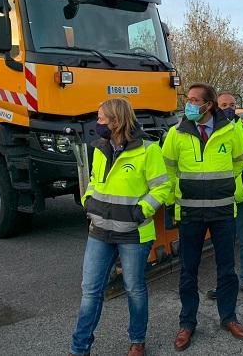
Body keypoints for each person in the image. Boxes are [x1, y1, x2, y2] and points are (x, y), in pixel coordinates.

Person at [69, 98, 171, 356]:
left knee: (134, 289)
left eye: (101, 118)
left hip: (133, 233)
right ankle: (79, 349)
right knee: (90, 291)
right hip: (100, 230)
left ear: (116, 121)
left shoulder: (148, 149)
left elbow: (163, 188)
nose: (98, 123)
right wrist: (88, 201)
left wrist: (141, 211)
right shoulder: (100, 148)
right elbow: (94, 181)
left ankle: (137, 341)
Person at [162, 83, 243, 351]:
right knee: (188, 271)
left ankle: (229, 317)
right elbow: (168, 169)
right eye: (187, 99)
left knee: (226, 269)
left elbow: (239, 162)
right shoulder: (176, 133)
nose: (188, 104)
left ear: (208, 104)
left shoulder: (231, 131)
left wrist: (231, 189)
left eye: (193, 100)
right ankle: (187, 323)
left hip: (222, 211)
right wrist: (176, 195)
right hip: (189, 212)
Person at [206, 92, 243, 301]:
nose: (228, 108)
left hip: (239, 197)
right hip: (218, 199)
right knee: (223, 244)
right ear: (215, 106)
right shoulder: (209, 131)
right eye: (223, 104)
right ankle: (224, 282)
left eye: (232, 104)